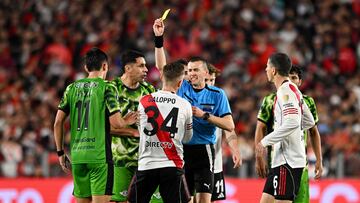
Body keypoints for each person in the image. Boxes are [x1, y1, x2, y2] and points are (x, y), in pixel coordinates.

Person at [153, 18, 236, 203]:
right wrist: (159, 39)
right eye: (189, 70)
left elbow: (229, 125)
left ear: (206, 74)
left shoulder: (217, 94)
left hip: (205, 152)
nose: (191, 73)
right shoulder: (182, 88)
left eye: (195, 70)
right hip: (181, 150)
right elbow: (162, 69)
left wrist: (204, 115)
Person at [53, 47, 137, 203]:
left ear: (86, 68)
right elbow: (117, 124)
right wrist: (127, 121)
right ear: (105, 66)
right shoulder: (108, 87)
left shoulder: (71, 88)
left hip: (77, 156)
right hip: (100, 157)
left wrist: (60, 153)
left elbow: (58, 122)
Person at [255, 65, 323, 203]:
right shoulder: (270, 100)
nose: (290, 81)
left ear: (300, 81)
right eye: (288, 77)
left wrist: (319, 160)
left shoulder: (307, 101)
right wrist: (259, 157)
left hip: (295, 162)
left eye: (294, 78)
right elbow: (260, 127)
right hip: (277, 159)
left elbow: (313, 131)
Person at [135, 61, 193, 203]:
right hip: (172, 165)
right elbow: (187, 138)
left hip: (146, 164)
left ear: (162, 77)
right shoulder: (185, 105)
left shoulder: (144, 101)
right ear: (180, 83)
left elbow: (141, 131)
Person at [109, 50, 157, 203]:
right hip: (120, 158)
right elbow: (103, 128)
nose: (146, 69)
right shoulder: (111, 89)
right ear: (128, 68)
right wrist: (131, 132)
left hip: (146, 159)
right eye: (141, 66)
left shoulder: (149, 90)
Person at [205, 63, 242, 202]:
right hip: (195, 161)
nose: (210, 83)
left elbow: (229, 129)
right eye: (207, 80)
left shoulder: (219, 98)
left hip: (216, 163)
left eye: (212, 80)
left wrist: (235, 150)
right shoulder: (191, 98)